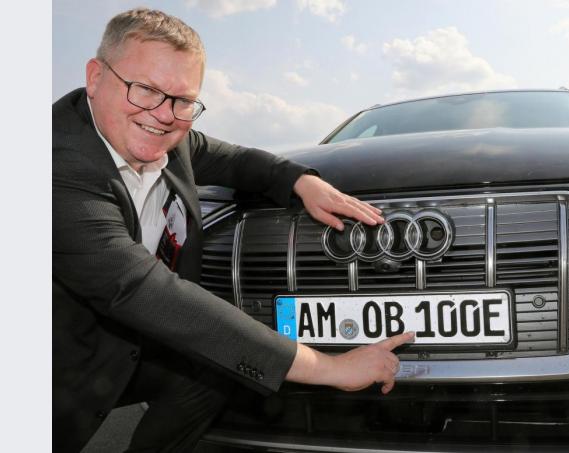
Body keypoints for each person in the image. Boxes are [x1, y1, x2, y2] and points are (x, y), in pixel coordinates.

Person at [53, 8, 413, 452]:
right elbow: (140, 290)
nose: (163, 115)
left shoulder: (167, 136)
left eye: (182, 100)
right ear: (95, 77)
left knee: (216, 365)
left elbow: (238, 161)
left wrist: (302, 181)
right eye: (144, 89)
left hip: (123, 344)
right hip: (54, 366)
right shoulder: (53, 162)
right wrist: (330, 368)